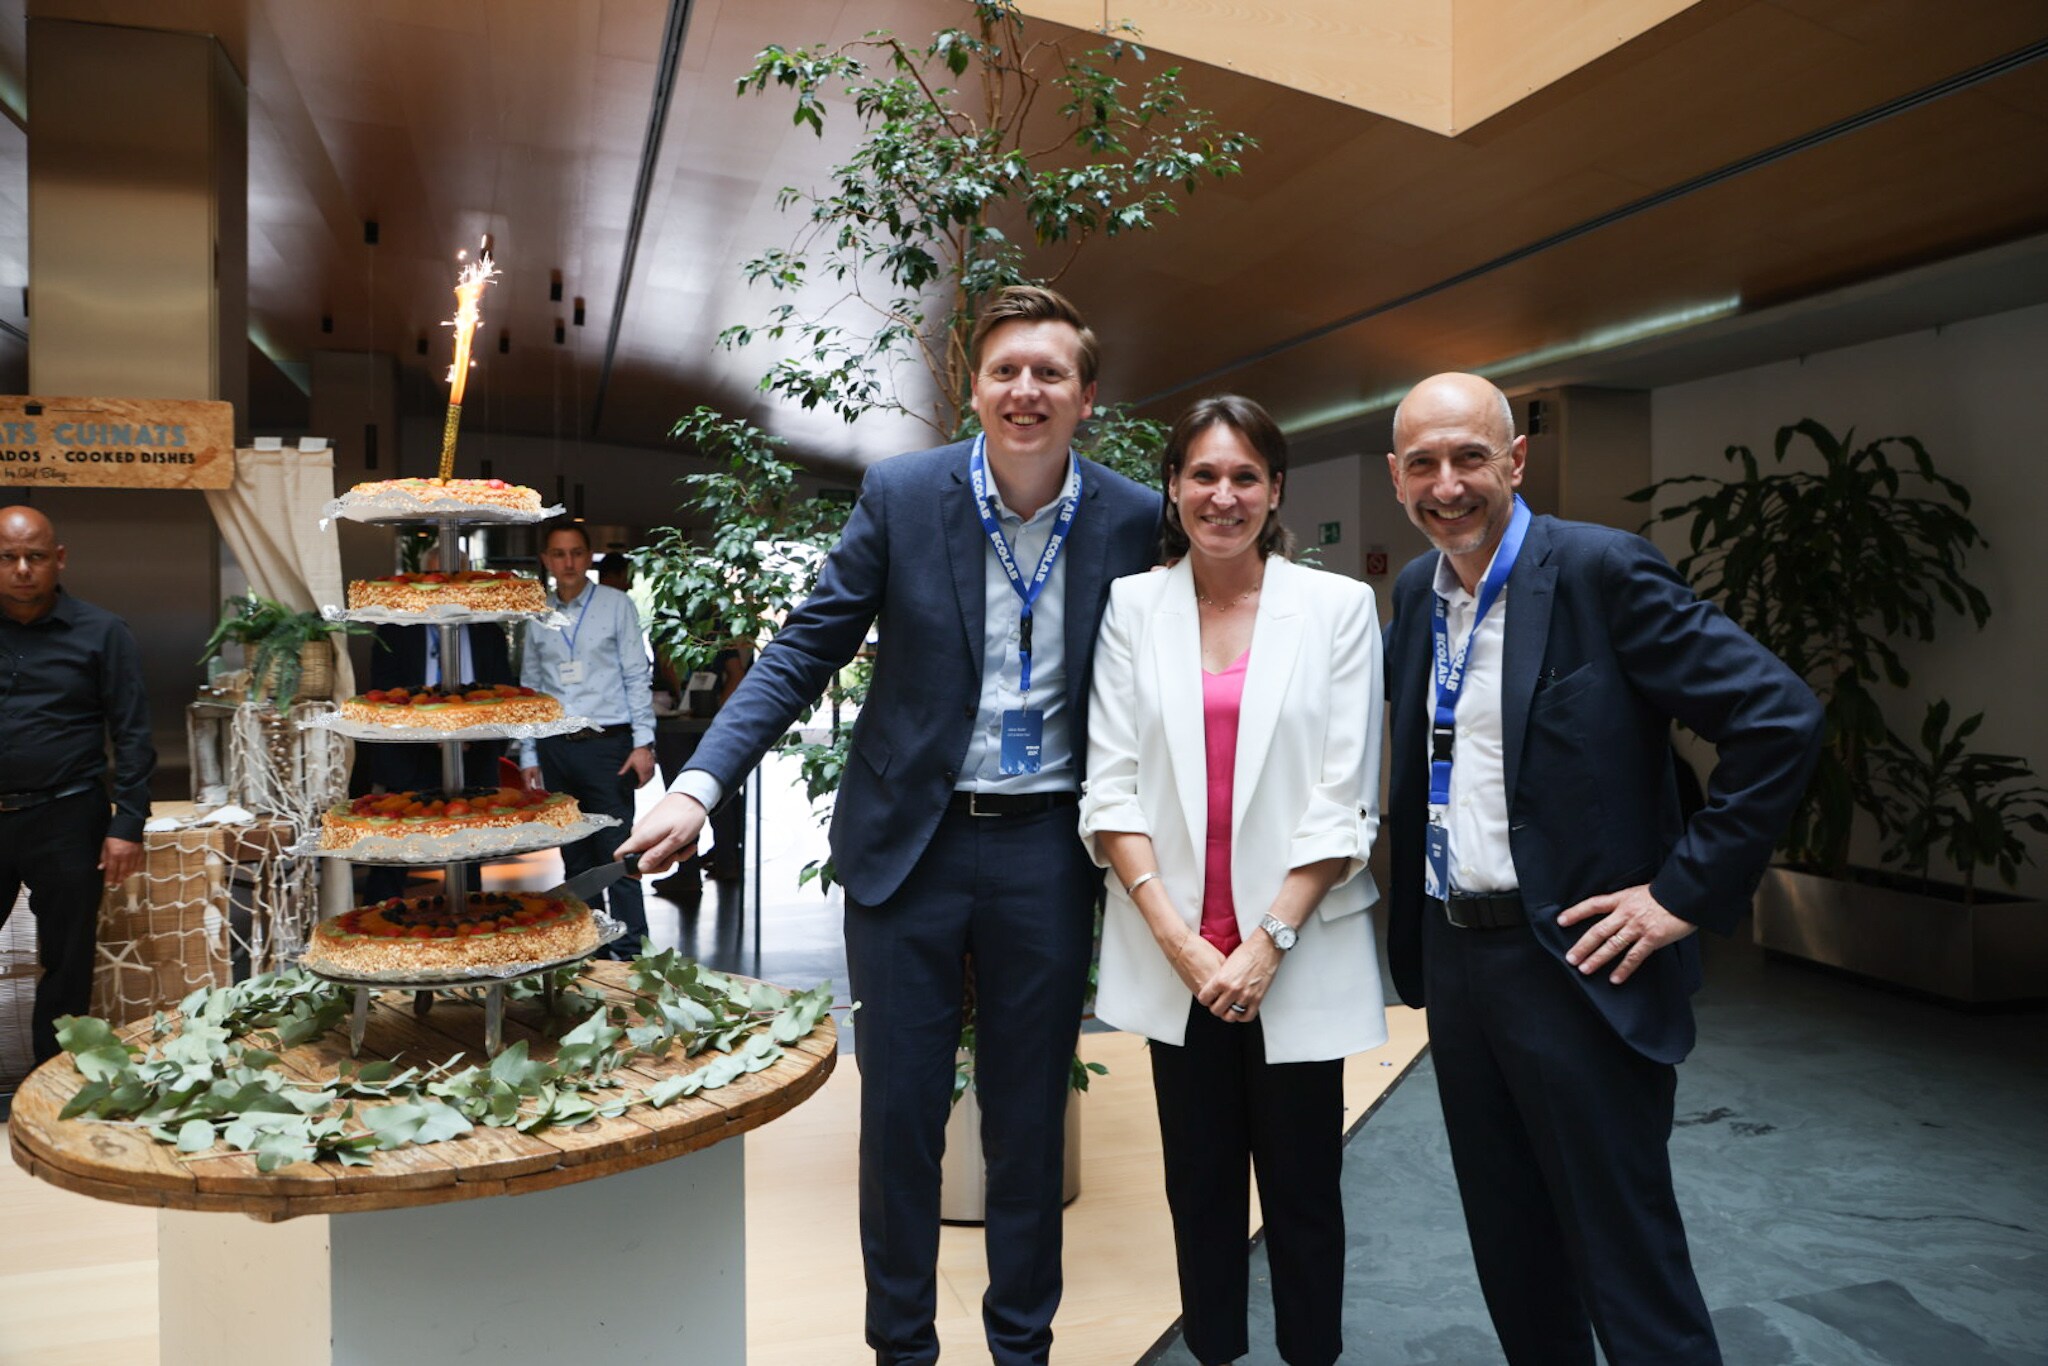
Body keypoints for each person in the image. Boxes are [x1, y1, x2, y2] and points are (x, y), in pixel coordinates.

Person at [618, 285, 1160, 1366]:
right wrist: (699, 785)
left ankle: (1022, 1349)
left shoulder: (1133, 517)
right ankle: (901, 1350)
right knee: (901, 1116)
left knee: (1026, 1119)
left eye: (1050, 373)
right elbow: (802, 649)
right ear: (975, 388)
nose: (1026, 390)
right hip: (912, 846)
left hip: (1046, 848)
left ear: (1086, 396)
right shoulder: (906, 495)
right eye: (1006, 370)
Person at [1380, 373, 1823, 1365]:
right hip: (1456, 961)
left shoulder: (1599, 570)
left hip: (1577, 965)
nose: (1446, 485)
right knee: (1511, 1252)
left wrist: (1678, 894)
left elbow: (1778, 717)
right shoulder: (1415, 593)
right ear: (1394, 476)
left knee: (1627, 1264)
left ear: (1515, 461)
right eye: (1422, 463)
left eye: (1468, 457)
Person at [1078, 396, 1383, 1366]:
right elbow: (1109, 786)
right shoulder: (1133, 607)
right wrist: (1180, 941)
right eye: (1203, 475)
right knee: (1198, 1192)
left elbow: (1345, 796)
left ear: (1275, 490)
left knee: (1305, 1195)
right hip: (1180, 963)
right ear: (1172, 487)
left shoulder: (1335, 609)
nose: (1223, 495)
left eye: (1244, 476)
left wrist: (1266, 941)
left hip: (1293, 952)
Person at [0, 506, 155, 1063]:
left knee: (67, 962)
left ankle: (49, 1083)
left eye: (35, 556)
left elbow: (133, 733)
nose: (23, 569)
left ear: (59, 558)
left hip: (67, 817)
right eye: (8, 557)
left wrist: (128, 823)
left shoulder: (102, 632)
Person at [518, 519, 655, 957]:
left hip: (608, 747)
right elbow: (530, 688)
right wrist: (527, 753)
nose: (569, 562)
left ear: (588, 557)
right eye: (559, 554)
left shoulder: (616, 605)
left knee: (618, 853)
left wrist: (643, 743)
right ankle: (589, 951)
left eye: (576, 553)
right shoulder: (538, 614)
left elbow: (636, 675)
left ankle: (631, 955)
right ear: (546, 560)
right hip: (555, 748)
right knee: (575, 859)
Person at [358, 619, 517, 901]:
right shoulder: (396, 630)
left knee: (468, 850)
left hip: (474, 757)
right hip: (409, 756)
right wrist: (431, 730)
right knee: (394, 848)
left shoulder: (488, 632)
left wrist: (472, 734)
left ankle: (466, 917)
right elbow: (384, 694)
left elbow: (503, 692)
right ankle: (375, 922)